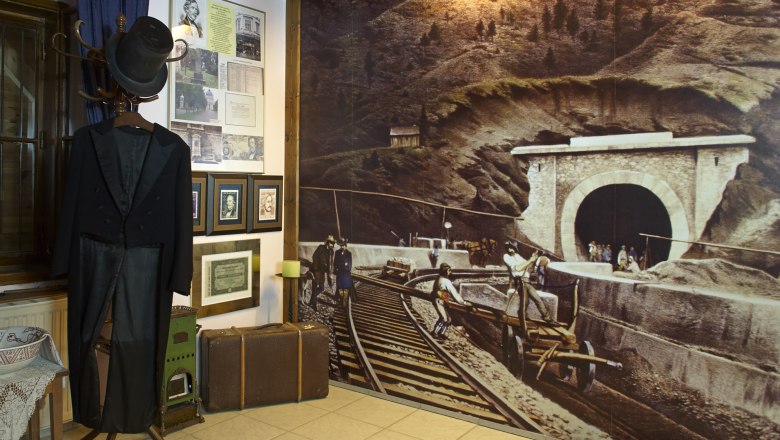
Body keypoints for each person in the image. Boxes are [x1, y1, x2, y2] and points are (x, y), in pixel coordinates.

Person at [507, 250, 555, 324]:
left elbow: (529, 267)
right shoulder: (510, 261)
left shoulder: (521, 260)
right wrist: (530, 260)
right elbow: (518, 269)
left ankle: (547, 318)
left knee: (538, 299)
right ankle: (522, 317)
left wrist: (533, 259)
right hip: (521, 282)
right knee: (525, 302)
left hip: (527, 282)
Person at [430, 263, 469, 339]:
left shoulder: (439, 278)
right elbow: (454, 293)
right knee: (444, 318)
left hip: (440, 300)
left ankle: (442, 333)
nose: (450, 272)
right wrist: (463, 303)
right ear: (445, 271)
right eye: (449, 270)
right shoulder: (446, 281)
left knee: (448, 320)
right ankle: (435, 332)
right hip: (439, 300)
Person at [308, 235, 335, 309]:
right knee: (314, 287)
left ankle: (311, 300)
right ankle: (314, 304)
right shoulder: (321, 248)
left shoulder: (331, 251)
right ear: (327, 243)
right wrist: (316, 268)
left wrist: (330, 271)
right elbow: (314, 257)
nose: (332, 245)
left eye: (333, 243)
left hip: (322, 272)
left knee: (321, 288)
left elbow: (331, 263)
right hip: (315, 270)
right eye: (330, 243)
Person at [333, 238, 357, 306]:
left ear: (346, 246)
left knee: (346, 287)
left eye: (343, 245)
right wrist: (336, 269)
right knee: (340, 287)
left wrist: (344, 267)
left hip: (346, 273)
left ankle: (345, 301)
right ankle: (341, 299)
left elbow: (349, 265)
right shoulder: (337, 252)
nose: (342, 247)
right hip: (339, 273)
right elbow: (335, 263)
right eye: (341, 246)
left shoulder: (349, 253)